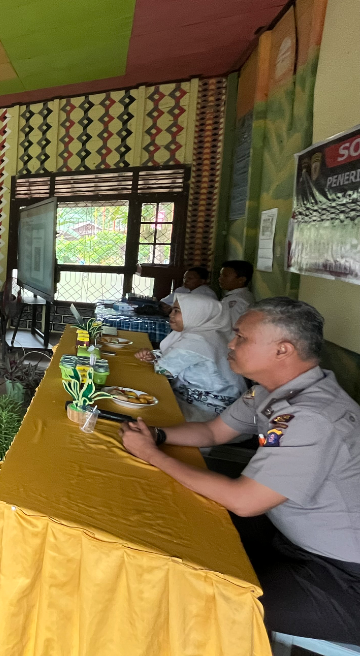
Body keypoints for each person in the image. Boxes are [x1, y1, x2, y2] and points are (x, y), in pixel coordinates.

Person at [121, 298, 360, 644]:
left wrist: (154, 456)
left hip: (341, 575)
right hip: (289, 536)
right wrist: (155, 436)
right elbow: (213, 432)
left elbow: (245, 501)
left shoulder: (313, 416)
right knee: (176, 533)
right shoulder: (270, 391)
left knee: (197, 600)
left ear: (283, 350)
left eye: (241, 337)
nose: (230, 344)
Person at [135, 293, 245, 421]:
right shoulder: (208, 333)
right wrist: (152, 356)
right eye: (172, 310)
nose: (171, 314)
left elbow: (162, 371)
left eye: (177, 311)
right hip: (202, 401)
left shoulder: (198, 340)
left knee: (141, 411)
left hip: (207, 409)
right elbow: (170, 355)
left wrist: (153, 360)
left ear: (197, 313)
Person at [219, 260, 255, 327]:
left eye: (225, 276)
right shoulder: (246, 294)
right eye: (220, 275)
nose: (220, 279)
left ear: (241, 280)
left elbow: (233, 328)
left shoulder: (235, 301)